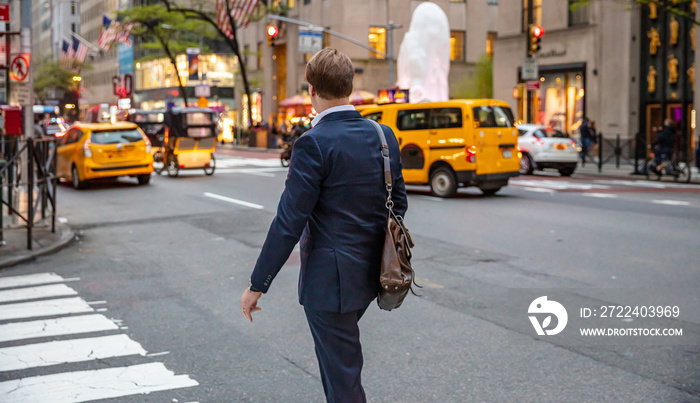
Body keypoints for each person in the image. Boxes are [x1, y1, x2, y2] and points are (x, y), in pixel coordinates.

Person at [240, 48, 408, 402]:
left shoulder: (313, 143)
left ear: (312, 90)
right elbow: (399, 205)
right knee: (340, 369)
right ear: (348, 86)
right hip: (374, 274)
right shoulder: (383, 136)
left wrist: (258, 284)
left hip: (330, 284)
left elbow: (289, 220)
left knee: (342, 377)